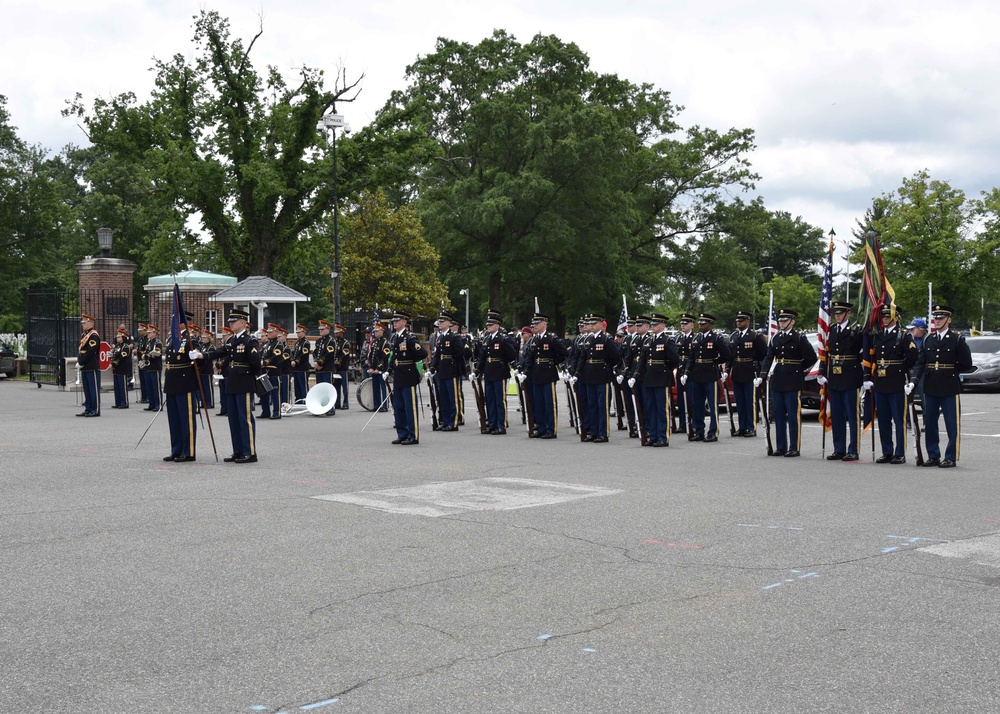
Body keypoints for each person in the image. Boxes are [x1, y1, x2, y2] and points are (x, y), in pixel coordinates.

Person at [908, 304, 973, 468]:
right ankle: (933, 455)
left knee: (951, 423)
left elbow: (966, 363)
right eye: (935, 318)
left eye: (941, 318)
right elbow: (920, 363)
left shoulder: (957, 339)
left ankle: (950, 457)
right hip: (930, 386)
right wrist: (913, 381)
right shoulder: (928, 339)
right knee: (929, 422)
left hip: (949, 385)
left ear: (948, 320)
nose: (937, 321)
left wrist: (950, 371)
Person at [755, 309, 817, 457]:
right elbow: (769, 357)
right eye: (781, 321)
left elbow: (811, 357)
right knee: (779, 414)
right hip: (778, 379)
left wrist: (798, 369)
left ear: (792, 322)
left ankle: (794, 447)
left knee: (793, 415)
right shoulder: (775, 338)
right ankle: (781, 446)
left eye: (785, 320)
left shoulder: (799, 338)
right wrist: (762, 375)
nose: (782, 323)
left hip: (793, 380)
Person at [207, 308, 261, 463]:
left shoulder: (250, 341)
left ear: (243, 323)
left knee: (245, 419)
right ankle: (238, 450)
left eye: (234, 321)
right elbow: (219, 352)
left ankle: (250, 452)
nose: (231, 323)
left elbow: (256, 363)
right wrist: (201, 356)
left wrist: (246, 373)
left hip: (244, 382)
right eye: (230, 321)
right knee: (234, 419)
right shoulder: (231, 340)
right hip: (231, 382)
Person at [869, 305, 917, 464]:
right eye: (883, 317)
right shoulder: (878, 336)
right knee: (883, 419)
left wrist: (899, 369)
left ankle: (900, 453)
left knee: (899, 419)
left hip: (896, 382)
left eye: (888, 317)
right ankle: (887, 451)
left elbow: (912, 357)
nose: (884, 319)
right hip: (881, 382)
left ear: (896, 318)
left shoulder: (903, 336)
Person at [817, 301, 864, 460]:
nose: (837, 315)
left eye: (841, 313)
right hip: (834, 378)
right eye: (835, 313)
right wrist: (822, 372)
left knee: (852, 415)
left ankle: (853, 449)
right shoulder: (831, 331)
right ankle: (839, 448)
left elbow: (864, 354)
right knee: (837, 415)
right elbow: (825, 353)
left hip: (850, 376)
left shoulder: (856, 331)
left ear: (848, 314)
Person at [631, 313, 681, 447]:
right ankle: (653, 436)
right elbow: (642, 360)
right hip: (649, 378)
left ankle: (663, 437)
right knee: (650, 408)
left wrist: (665, 369)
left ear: (663, 325)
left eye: (656, 324)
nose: (653, 327)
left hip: (661, 379)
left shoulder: (667, 340)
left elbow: (675, 359)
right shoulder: (648, 341)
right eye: (652, 324)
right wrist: (635, 376)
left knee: (661, 409)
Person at [681, 313, 731, 442]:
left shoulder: (716, 338)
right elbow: (691, 358)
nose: (701, 326)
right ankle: (699, 431)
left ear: (710, 324)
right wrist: (687, 372)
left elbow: (727, 355)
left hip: (710, 374)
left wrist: (715, 361)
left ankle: (713, 432)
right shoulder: (696, 338)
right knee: (697, 404)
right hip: (696, 374)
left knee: (713, 405)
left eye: (703, 324)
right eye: (700, 323)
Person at [521, 312, 567, 438]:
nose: (534, 326)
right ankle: (541, 428)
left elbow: (562, 353)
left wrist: (553, 362)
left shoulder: (551, 338)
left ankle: (551, 429)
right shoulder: (534, 340)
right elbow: (530, 357)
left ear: (544, 324)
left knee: (549, 403)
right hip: (536, 373)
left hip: (548, 373)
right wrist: (525, 372)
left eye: (537, 323)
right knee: (538, 402)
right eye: (534, 324)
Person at [577, 313, 621, 443]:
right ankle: (594, 432)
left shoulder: (606, 339)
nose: (591, 326)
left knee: (602, 405)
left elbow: (616, 357)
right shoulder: (588, 339)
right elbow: (583, 357)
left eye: (594, 323)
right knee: (592, 405)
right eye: (590, 323)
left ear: (601, 325)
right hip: (589, 375)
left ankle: (603, 433)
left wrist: (606, 365)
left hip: (602, 375)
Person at [163, 311, 199, 462]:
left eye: (176, 320)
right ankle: (176, 449)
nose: (173, 323)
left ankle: (188, 451)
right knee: (174, 418)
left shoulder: (190, 339)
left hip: (184, 382)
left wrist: (196, 354)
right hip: (172, 381)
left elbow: (198, 359)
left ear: (184, 322)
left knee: (186, 418)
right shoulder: (172, 338)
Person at [388, 310, 428, 445]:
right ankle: (402, 434)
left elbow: (422, 353)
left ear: (404, 322)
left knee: (410, 407)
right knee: (398, 406)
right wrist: (389, 369)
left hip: (408, 375)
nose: (394, 322)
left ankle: (413, 435)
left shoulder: (410, 338)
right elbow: (394, 356)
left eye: (397, 320)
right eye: (393, 321)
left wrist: (410, 360)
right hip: (398, 375)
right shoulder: (394, 338)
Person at [477, 309, 519, 434]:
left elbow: (512, 354)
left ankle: (501, 425)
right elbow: (482, 357)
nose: (488, 327)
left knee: (499, 400)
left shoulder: (503, 339)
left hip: (499, 371)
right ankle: (492, 423)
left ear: (497, 325)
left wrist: (502, 361)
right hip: (489, 371)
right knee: (489, 399)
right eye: (488, 325)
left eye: (490, 325)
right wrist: (478, 370)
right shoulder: (487, 339)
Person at [727, 311, 768, 437]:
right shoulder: (734, 336)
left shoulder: (755, 336)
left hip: (750, 371)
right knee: (739, 401)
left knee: (750, 401)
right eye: (738, 321)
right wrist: (726, 371)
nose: (739, 323)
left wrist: (761, 373)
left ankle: (751, 427)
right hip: (738, 371)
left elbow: (764, 354)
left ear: (748, 322)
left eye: (741, 321)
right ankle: (742, 426)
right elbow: (731, 356)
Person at [429, 311, 466, 431]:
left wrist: (455, 366)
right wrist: (433, 367)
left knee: (452, 398)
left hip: (451, 369)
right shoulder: (440, 337)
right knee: (443, 397)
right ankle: (445, 421)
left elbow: (460, 353)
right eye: (439, 321)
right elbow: (437, 355)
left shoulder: (454, 336)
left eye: (442, 321)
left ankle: (453, 422)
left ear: (449, 323)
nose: (440, 323)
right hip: (442, 370)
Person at [672, 314, 696, 434]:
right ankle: (683, 424)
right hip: (681, 369)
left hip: (691, 371)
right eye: (682, 323)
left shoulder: (694, 338)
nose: (683, 325)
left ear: (692, 325)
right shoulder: (678, 339)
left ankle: (693, 423)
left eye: (685, 323)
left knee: (692, 399)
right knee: (681, 399)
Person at [76, 314, 102, 417]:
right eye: (82, 323)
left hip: (92, 365)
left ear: (90, 323)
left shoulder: (93, 336)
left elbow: (91, 351)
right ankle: (88, 408)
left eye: (84, 323)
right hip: (85, 366)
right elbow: (81, 350)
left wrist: (81, 362)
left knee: (93, 389)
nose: (82, 324)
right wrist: (80, 361)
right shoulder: (84, 335)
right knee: (87, 389)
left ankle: (95, 410)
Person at [260, 324, 285, 420]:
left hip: (273, 371)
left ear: (276, 333)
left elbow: (276, 358)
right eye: (268, 332)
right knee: (264, 394)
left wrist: (265, 362)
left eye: (271, 332)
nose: (269, 333)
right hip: (265, 372)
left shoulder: (278, 345)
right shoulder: (267, 344)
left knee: (275, 393)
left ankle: (276, 412)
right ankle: (265, 411)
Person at [313, 320, 337, 414]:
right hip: (319, 369)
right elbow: (315, 352)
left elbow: (329, 354)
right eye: (320, 329)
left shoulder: (331, 341)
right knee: (320, 389)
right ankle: (322, 407)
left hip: (327, 368)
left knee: (328, 389)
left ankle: (330, 408)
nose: (321, 331)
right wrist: (315, 361)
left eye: (323, 329)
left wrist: (319, 363)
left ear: (328, 329)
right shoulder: (319, 341)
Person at [366, 322, 391, 412]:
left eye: (377, 331)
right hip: (374, 369)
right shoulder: (374, 343)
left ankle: (384, 405)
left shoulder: (385, 343)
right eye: (375, 331)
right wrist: (371, 367)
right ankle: (377, 405)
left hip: (382, 370)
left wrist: (378, 368)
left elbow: (384, 357)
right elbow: (370, 356)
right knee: (375, 388)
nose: (375, 333)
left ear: (382, 331)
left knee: (382, 387)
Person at [141, 325, 163, 412]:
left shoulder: (158, 343)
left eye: (150, 332)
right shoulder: (148, 342)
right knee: (149, 386)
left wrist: (146, 356)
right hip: (148, 367)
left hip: (155, 367)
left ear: (154, 333)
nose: (148, 334)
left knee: (156, 387)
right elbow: (146, 351)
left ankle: (158, 404)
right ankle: (152, 404)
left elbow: (156, 353)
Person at [111, 328, 133, 409]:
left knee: (122, 386)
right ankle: (118, 402)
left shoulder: (125, 346)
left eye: (119, 336)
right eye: (117, 336)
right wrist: (112, 363)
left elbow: (122, 357)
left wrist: (114, 363)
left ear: (123, 337)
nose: (117, 338)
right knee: (117, 387)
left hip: (122, 368)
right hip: (116, 369)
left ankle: (124, 403)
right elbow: (114, 355)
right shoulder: (117, 346)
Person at [332, 324, 352, 410]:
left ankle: (345, 403)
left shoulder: (345, 343)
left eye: (337, 333)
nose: (336, 334)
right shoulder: (334, 342)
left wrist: (337, 362)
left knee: (344, 387)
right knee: (336, 386)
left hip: (343, 368)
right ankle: (337, 403)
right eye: (335, 333)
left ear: (341, 332)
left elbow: (344, 354)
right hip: (336, 369)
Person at [290, 324, 312, 402]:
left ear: (303, 332)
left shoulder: (306, 343)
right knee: (297, 386)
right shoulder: (297, 343)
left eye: (299, 332)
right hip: (296, 368)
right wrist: (292, 359)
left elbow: (304, 355)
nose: (297, 334)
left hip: (302, 367)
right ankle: (298, 399)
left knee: (303, 386)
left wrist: (295, 361)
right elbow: (294, 353)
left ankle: (306, 400)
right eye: (297, 332)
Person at [215, 326, 233, 416]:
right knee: (222, 391)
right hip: (222, 371)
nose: (223, 337)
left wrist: (220, 364)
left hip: (227, 370)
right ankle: (224, 409)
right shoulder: (225, 343)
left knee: (227, 392)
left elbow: (228, 357)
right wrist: (217, 364)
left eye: (224, 335)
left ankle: (228, 410)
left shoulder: (230, 342)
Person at [135, 323, 149, 403]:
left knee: (146, 380)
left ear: (145, 330)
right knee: (142, 380)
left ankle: (147, 396)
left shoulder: (147, 339)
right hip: (140, 361)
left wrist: (138, 351)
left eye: (141, 331)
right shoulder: (140, 340)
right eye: (139, 331)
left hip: (145, 362)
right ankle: (143, 397)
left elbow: (145, 351)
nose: (139, 332)